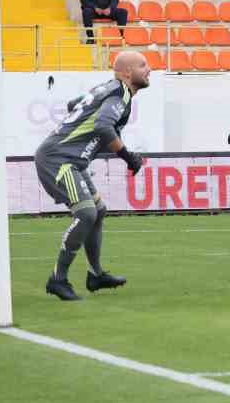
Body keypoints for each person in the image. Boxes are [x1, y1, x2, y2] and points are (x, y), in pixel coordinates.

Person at [34, 51, 150, 300]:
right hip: (59, 160)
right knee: (86, 213)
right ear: (127, 72)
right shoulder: (119, 93)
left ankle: (95, 275)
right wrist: (128, 157)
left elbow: (74, 106)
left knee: (98, 210)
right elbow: (103, 126)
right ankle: (58, 279)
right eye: (143, 65)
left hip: (71, 160)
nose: (148, 69)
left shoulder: (106, 88)